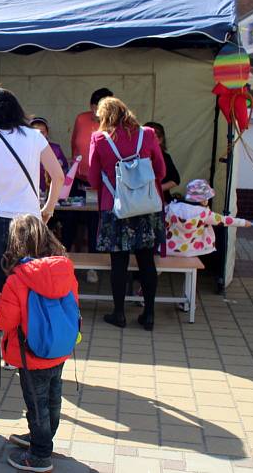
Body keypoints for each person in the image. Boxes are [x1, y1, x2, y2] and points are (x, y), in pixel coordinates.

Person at [0, 214, 79, 472]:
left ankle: (40, 454)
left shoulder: (17, 280)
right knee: (53, 398)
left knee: (36, 404)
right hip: (59, 348)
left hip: (30, 354)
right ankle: (43, 438)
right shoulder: (65, 271)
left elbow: (4, 322)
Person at [0, 89, 65, 296]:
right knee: (30, 284)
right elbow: (58, 176)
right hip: (30, 220)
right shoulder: (35, 137)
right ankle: (27, 327)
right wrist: (48, 209)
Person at [88, 97, 165, 331]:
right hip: (145, 207)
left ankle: (119, 314)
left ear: (105, 117)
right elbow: (160, 171)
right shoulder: (148, 134)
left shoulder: (99, 139)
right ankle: (148, 314)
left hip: (115, 206)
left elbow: (93, 179)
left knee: (118, 263)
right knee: (146, 261)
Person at [66, 88, 114, 281]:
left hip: (102, 182)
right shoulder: (81, 119)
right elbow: (74, 144)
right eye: (94, 106)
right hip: (79, 178)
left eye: (101, 107)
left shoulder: (114, 124)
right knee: (70, 218)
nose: (96, 111)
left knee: (96, 222)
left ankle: (93, 266)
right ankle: (63, 261)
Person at [165, 179, 253, 256]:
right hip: (192, 251)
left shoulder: (172, 207)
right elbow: (225, 220)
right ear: (204, 200)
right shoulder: (205, 214)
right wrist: (244, 222)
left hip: (169, 248)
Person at [29, 117, 70, 192]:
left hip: (52, 194)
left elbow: (66, 171)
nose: (39, 135)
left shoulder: (56, 149)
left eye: (42, 132)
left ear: (47, 133)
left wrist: (59, 167)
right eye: (35, 132)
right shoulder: (25, 150)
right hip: (30, 194)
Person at [144, 122, 180, 203]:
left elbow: (175, 180)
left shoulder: (165, 157)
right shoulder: (136, 157)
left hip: (161, 202)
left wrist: (156, 189)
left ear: (160, 140)